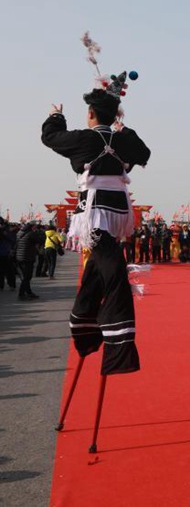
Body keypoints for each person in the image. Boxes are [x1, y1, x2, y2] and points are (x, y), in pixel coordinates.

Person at [41, 68, 150, 375]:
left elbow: (50, 138)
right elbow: (144, 153)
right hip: (119, 215)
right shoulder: (122, 139)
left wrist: (56, 116)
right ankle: (86, 323)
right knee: (97, 270)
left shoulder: (84, 139)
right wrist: (121, 127)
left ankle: (117, 340)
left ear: (90, 113)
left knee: (111, 272)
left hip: (95, 215)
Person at [15, 222, 40, 300]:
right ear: (31, 227)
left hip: (20, 257)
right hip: (27, 257)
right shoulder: (30, 234)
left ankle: (29, 292)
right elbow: (40, 240)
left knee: (26, 276)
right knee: (27, 276)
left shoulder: (19, 233)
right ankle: (21, 294)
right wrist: (36, 232)